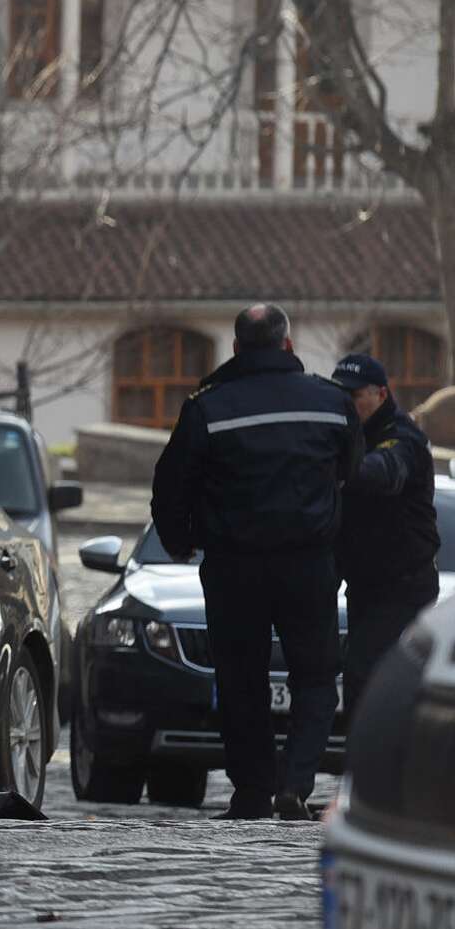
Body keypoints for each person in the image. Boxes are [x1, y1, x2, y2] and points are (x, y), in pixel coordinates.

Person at [151, 304, 362, 820]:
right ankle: (295, 784)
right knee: (315, 678)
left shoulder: (208, 407)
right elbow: (354, 477)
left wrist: (180, 542)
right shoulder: (331, 403)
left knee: (241, 679)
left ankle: (251, 793)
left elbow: (170, 486)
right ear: (288, 345)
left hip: (234, 568)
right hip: (309, 565)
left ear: (237, 349)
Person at [330, 352, 441, 710]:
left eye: (354, 395)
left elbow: (385, 473)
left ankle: (379, 761)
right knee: (361, 678)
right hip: (365, 584)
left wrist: (331, 464)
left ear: (380, 394)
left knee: (369, 675)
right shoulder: (344, 435)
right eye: (340, 395)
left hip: (404, 586)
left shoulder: (402, 436)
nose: (346, 404)